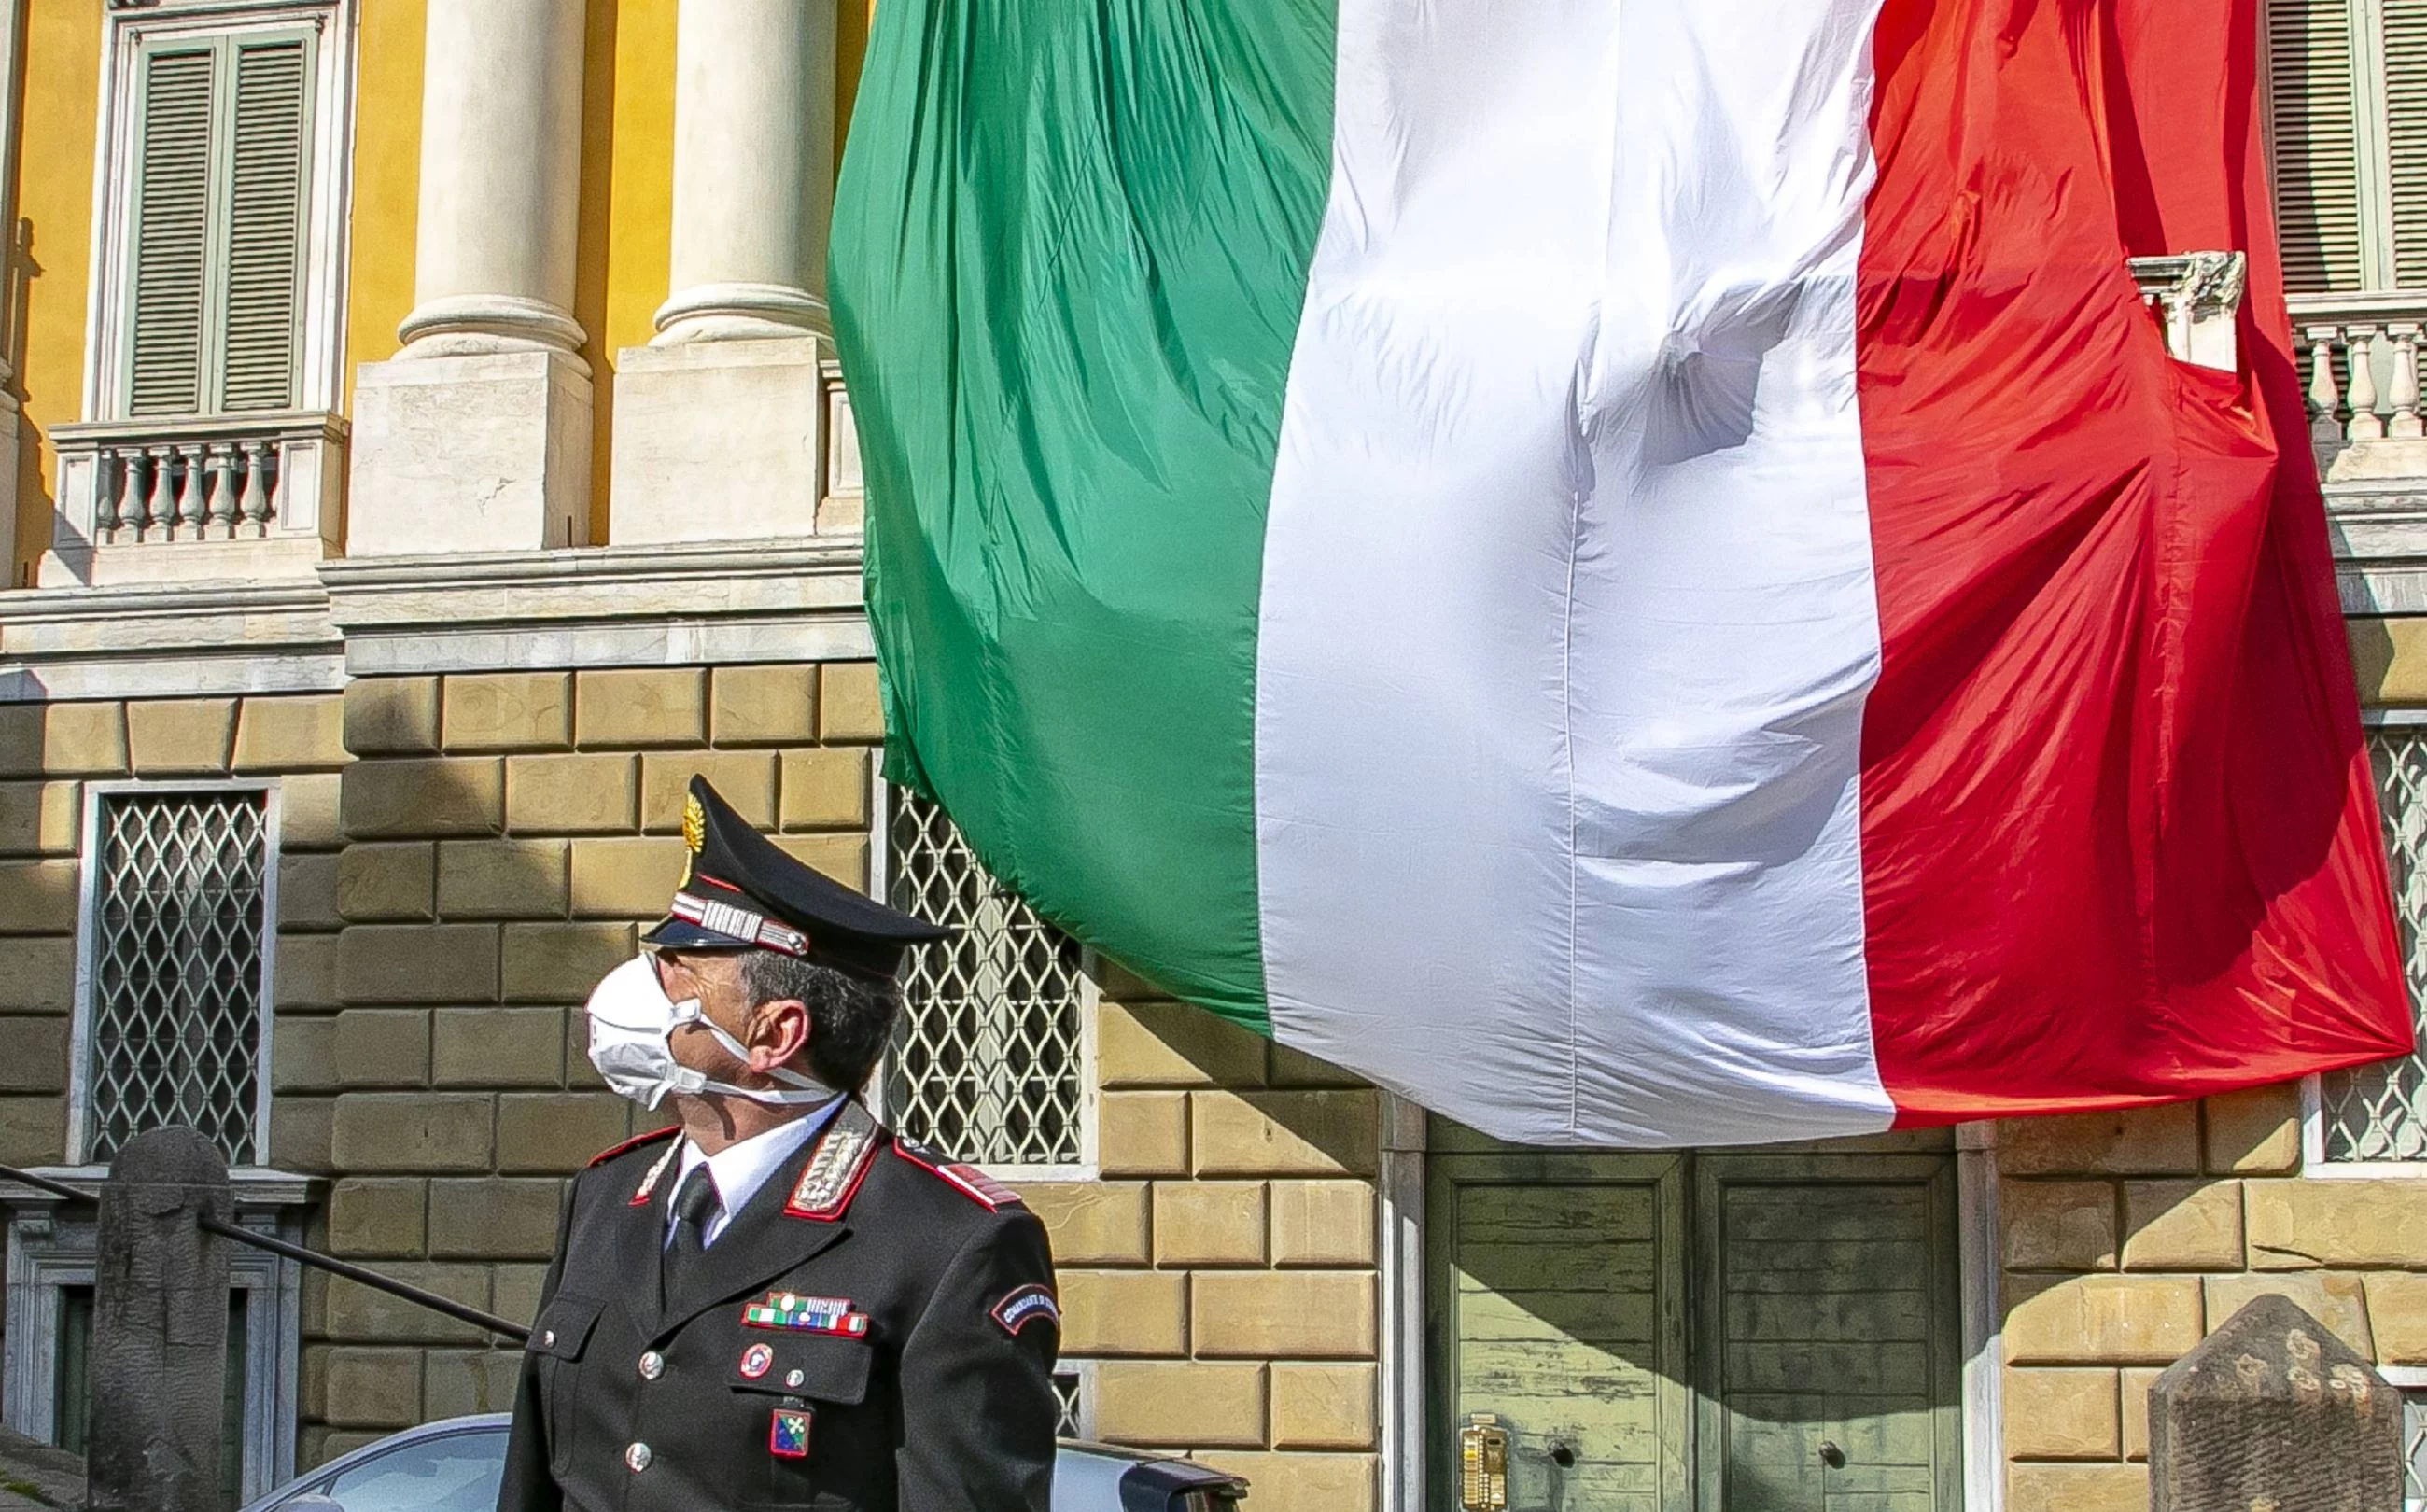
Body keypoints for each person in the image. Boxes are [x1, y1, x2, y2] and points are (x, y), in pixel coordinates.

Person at [497, 776, 1061, 1512]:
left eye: (680, 973)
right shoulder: (606, 1197)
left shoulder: (945, 1240)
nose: (642, 990)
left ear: (774, 1034)